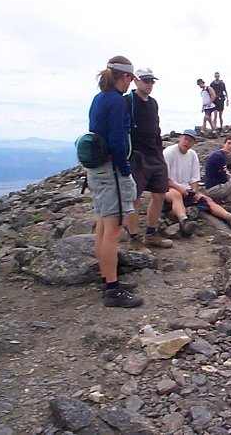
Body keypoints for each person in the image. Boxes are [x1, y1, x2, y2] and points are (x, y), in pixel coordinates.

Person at [87, 55, 143, 308]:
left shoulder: (99, 99)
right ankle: (112, 289)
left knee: (102, 226)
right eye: (131, 78)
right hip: (112, 173)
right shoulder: (118, 102)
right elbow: (119, 142)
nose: (131, 83)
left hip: (97, 170)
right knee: (113, 230)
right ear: (126, 77)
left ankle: (108, 278)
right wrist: (125, 171)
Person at [163, 130, 231, 234]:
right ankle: (184, 222)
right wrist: (180, 189)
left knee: (206, 199)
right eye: (185, 139)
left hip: (186, 189)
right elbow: (164, 179)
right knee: (176, 195)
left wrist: (193, 190)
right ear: (180, 138)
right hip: (168, 188)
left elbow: (194, 178)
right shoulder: (169, 152)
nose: (187, 142)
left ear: (194, 143)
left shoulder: (192, 155)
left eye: (190, 141)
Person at [124, 67, 172, 250]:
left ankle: (150, 234)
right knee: (134, 197)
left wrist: (159, 150)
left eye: (152, 81)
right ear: (136, 80)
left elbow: (156, 127)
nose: (150, 84)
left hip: (154, 153)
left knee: (160, 193)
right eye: (146, 81)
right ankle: (134, 238)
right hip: (136, 155)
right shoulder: (127, 101)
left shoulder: (153, 103)